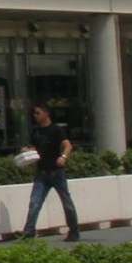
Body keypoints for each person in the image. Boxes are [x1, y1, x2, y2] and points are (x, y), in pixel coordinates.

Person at [19, 102, 80, 242]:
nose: (35, 116)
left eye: (38, 113)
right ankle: (28, 232)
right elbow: (34, 149)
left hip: (56, 172)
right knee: (34, 203)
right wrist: (27, 152)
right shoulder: (35, 132)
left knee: (67, 203)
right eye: (34, 113)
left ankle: (74, 231)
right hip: (41, 173)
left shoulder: (56, 130)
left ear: (46, 113)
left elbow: (67, 145)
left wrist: (63, 157)